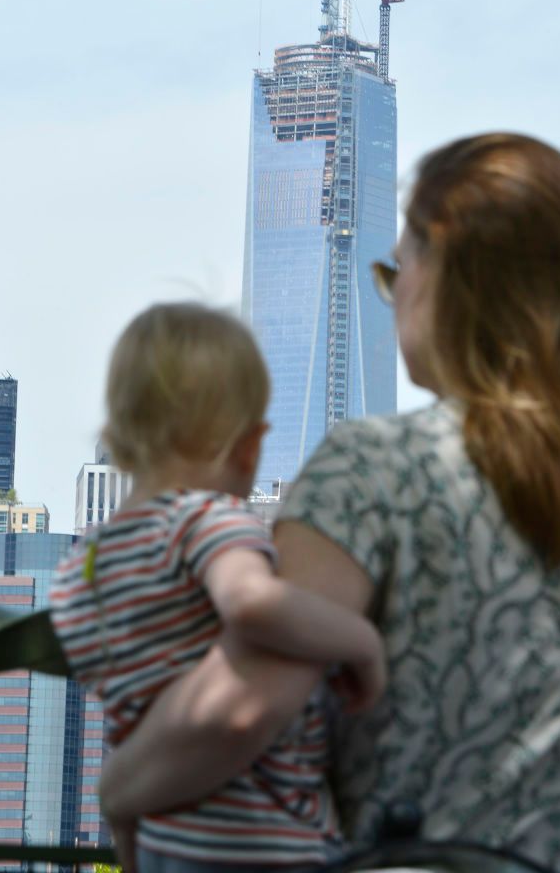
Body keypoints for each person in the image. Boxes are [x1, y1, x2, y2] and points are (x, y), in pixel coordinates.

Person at [99, 134, 560, 873]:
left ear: (454, 274)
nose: (390, 300)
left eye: (398, 270)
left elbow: (239, 710)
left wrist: (118, 788)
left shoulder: (379, 470)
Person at [49, 303, 385, 873]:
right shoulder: (205, 520)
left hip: (161, 839)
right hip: (266, 836)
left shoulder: (81, 571)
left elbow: (125, 734)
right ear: (249, 445)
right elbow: (252, 604)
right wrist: (361, 642)